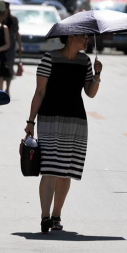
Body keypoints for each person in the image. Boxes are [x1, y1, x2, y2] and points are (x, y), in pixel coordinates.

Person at [24, 34, 102, 233]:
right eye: (82, 36)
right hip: (49, 119)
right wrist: (30, 122)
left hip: (75, 121)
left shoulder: (84, 61)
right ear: (70, 38)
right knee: (50, 168)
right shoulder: (49, 58)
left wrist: (97, 76)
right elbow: (39, 92)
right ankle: (44, 216)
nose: (86, 40)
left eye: (86, 36)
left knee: (65, 169)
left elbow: (90, 93)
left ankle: (56, 215)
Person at [2, 3, 22, 96]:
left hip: (11, 45)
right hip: (0, 44)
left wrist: (20, 45)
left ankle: (7, 88)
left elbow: (17, 33)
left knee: (9, 66)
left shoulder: (13, 19)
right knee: (1, 67)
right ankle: (0, 89)